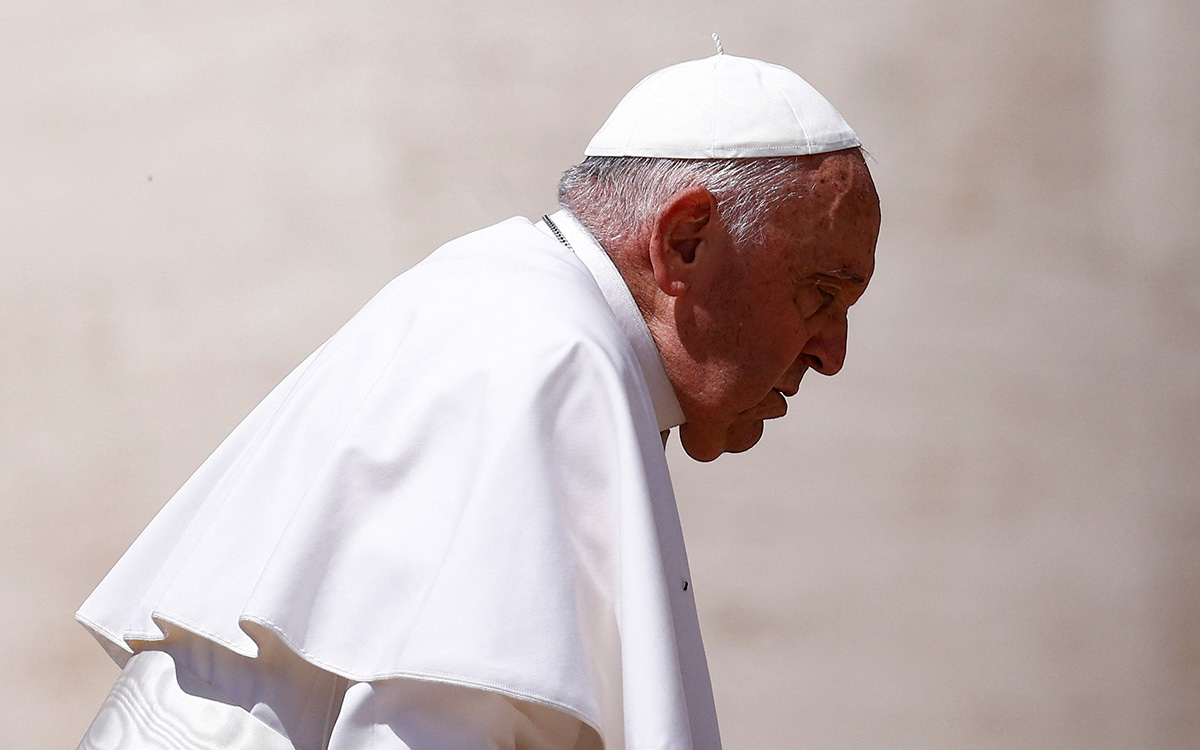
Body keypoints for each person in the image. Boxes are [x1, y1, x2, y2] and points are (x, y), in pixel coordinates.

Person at [75, 47, 881, 750]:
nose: (833, 354)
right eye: (820, 294)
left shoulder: (498, 295)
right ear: (685, 241)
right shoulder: (554, 367)